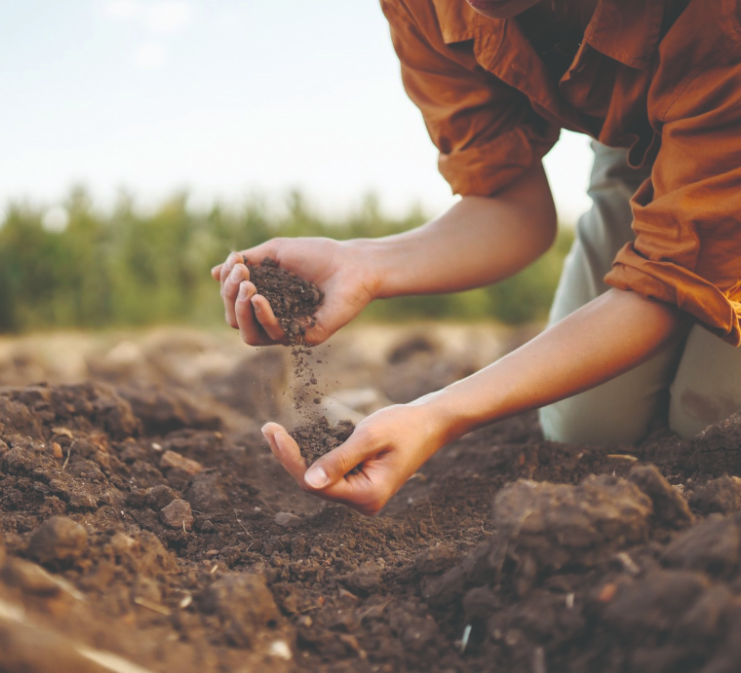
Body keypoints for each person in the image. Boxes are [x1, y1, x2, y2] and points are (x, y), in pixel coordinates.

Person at [211, 0, 741, 516]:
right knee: (588, 429)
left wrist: (439, 413)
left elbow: (673, 279)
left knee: (712, 422)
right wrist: (364, 264)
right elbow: (511, 207)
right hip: (640, 144)